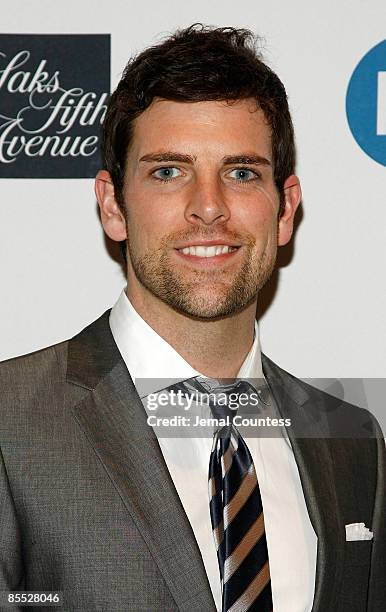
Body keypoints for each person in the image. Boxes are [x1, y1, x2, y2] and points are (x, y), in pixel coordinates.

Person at [0, 24, 384, 612]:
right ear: (112, 206)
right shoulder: (10, 421)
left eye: (241, 173)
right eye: (169, 171)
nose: (209, 206)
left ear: (285, 213)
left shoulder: (353, 442)